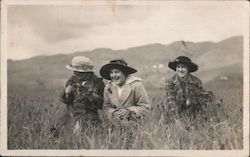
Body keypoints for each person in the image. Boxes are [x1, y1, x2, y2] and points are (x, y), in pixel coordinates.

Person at [52, 56, 104, 147]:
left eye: (79, 72)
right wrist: (67, 93)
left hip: (88, 114)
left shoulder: (98, 82)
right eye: (74, 71)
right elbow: (66, 100)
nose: (75, 73)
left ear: (88, 72)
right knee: (61, 134)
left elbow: (102, 103)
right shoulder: (72, 80)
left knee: (82, 136)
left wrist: (92, 96)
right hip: (70, 112)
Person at [100, 59, 151, 148]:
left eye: (117, 72)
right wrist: (113, 112)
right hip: (114, 128)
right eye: (111, 72)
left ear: (124, 73)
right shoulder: (109, 86)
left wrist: (129, 111)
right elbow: (106, 107)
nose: (113, 75)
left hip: (134, 127)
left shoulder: (136, 85)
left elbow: (145, 107)